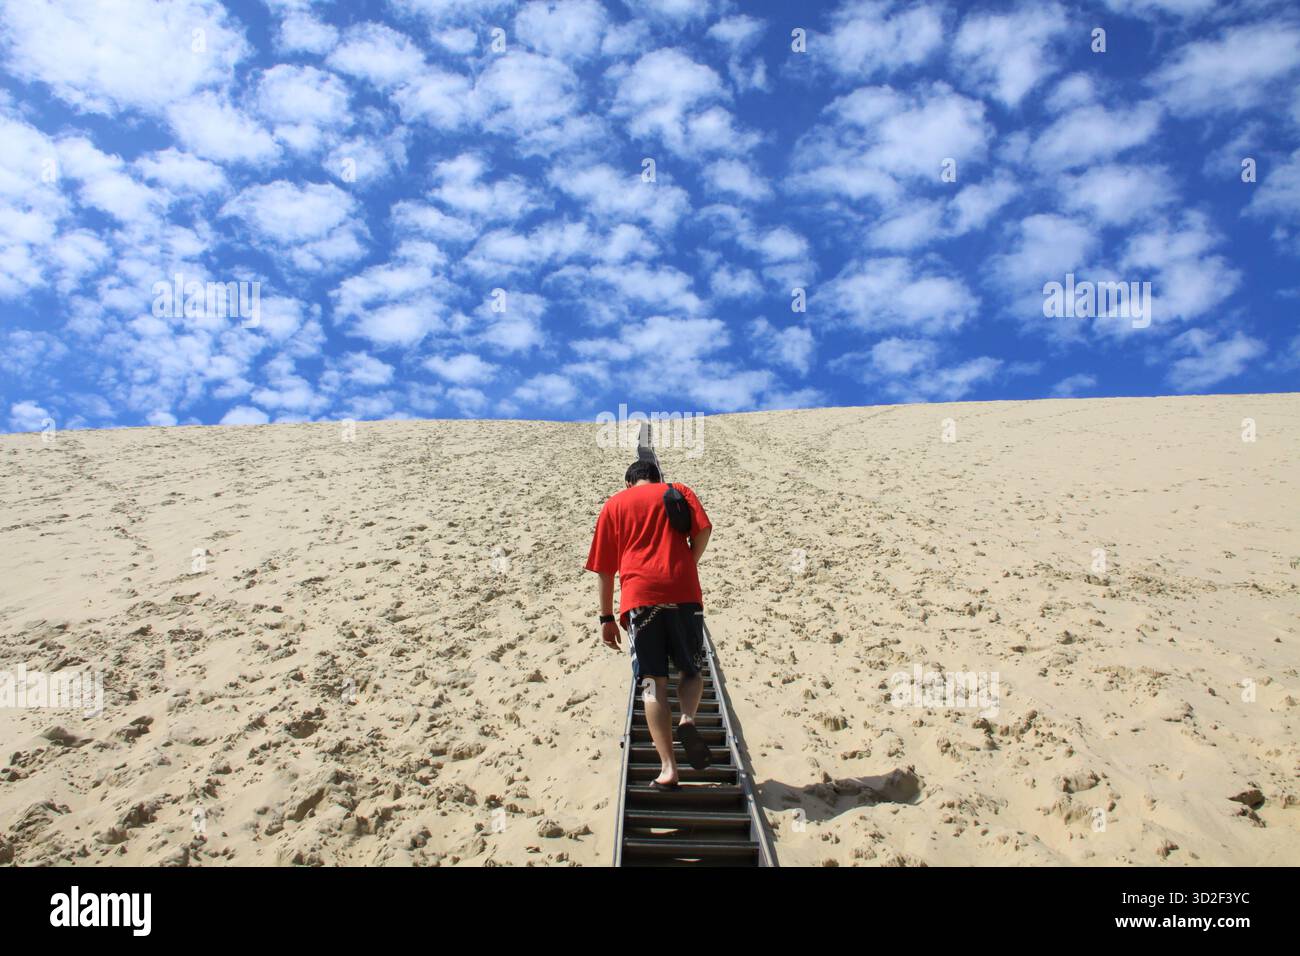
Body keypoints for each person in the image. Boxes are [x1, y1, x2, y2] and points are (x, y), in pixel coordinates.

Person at [585, 459, 713, 788]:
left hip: (640, 599)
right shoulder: (678, 491)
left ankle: (668, 768)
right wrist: (687, 563)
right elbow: (704, 529)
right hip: (683, 593)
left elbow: (605, 569)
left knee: (651, 682)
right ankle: (687, 718)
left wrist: (606, 617)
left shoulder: (614, 504)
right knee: (691, 670)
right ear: (658, 477)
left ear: (629, 483)